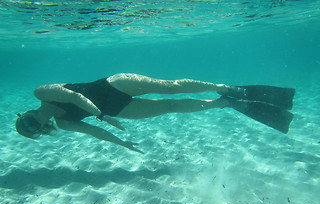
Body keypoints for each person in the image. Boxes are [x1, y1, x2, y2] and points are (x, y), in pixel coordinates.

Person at [15, 73, 295, 153]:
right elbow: (96, 133)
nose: (35, 122)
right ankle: (226, 103)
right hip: (118, 109)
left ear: (26, 114)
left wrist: (99, 113)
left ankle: (226, 88)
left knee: (169, 88)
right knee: (171, 108)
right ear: (42, 130)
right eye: (35, 128)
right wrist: (123, 143)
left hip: (111, 85)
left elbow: (74, 95)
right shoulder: (64, 125)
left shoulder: (41, 92)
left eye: (28, 121)